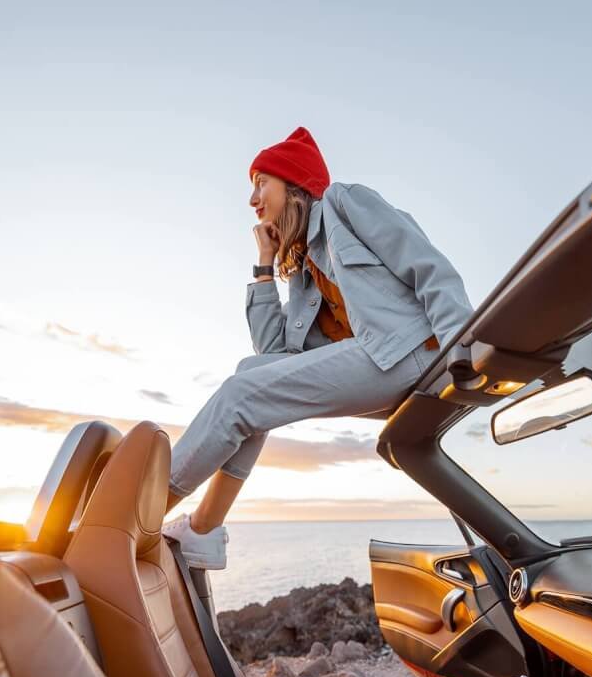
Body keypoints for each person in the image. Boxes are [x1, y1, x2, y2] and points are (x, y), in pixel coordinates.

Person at [161, 127, 474, 568]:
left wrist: (461, 350)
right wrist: (265, 266)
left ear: (293, 184)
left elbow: (427, 264)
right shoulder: (305, 272)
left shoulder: (346, 203)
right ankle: (204, 530)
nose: (252, 200)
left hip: (414, 352)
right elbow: (273, 354)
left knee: (239, 396)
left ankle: (134, 515)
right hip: (379, 366)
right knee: (248, 375)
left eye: (260, 183)